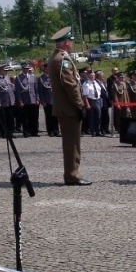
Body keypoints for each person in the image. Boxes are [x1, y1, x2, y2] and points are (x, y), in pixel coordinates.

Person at [46, 27, 90, 186]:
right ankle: (72, 175)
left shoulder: (57, 57)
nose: (72, 43)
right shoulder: (61, 60)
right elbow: (70, 85)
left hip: (65, 108)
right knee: (72, 143)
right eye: (70, 40)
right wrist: (80, 105)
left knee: (71, 142)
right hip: (69, 108)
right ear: (65, 42)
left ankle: (72, 173)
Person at [15, 61, 40, 137]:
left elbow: (36, 89)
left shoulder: (33, 77)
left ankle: (34, 132)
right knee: (25, 118)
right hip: (25, 100)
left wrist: (37, 99)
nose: (26, 70)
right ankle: (26, 132)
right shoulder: (19, 78)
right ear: (22, 69)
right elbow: (18, 91)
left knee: (34, 117)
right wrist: (20, 101)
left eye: (27, 68)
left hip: (33, 100)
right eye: (25, 68)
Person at [37, 64, 58, 137]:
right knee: (49, 116)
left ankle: (56, 130)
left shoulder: (53, 77)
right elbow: (40, 91)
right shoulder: (41, 79)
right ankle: (50, 131)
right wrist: (42, 101)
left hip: (54, 100)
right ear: (44, 70)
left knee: (55, 116)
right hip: (47, 100)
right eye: (47, 69)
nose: (48, 70)